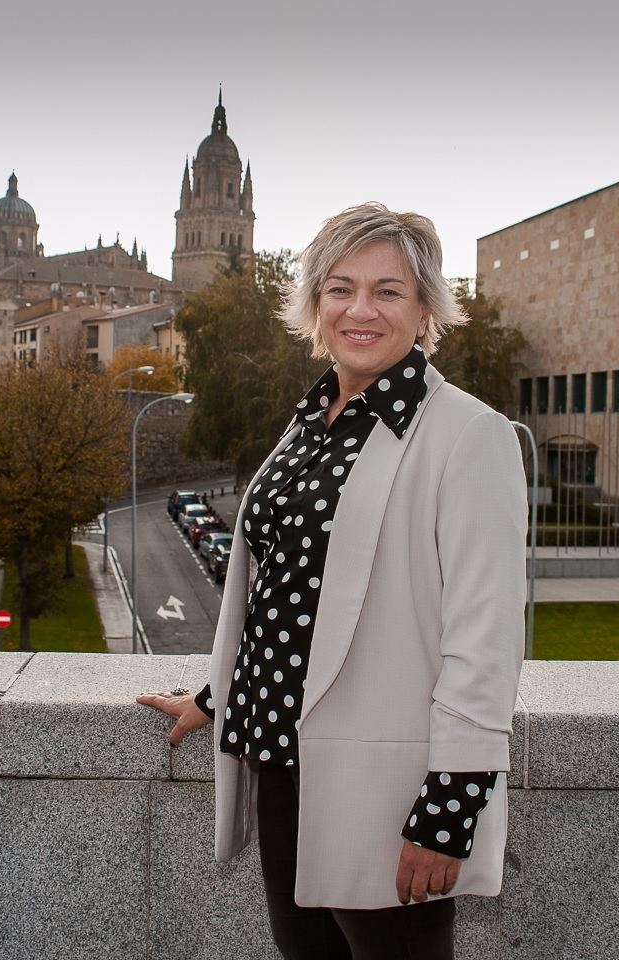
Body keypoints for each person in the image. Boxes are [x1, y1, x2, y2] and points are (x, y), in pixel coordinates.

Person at [138, 202, 527, 960]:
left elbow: (485, 642)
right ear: (316, 303)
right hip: (282, 762)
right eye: (340, 287)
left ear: (424, 309)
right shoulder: (313, 419)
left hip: (385, 792)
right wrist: (220, 695)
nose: (360, 309)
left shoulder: (467, 435)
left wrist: (449, 812)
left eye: (388, 290)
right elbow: (286, 588)